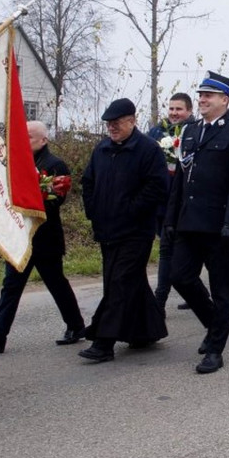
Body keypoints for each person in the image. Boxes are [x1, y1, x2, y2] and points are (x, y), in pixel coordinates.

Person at [165, 72, 229, 374]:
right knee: (180, 276)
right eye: (201, 95)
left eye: (209, 96)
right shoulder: (189, 132)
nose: (202, 99)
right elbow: (181, 178)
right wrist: (170, 218)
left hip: (219, 224)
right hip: (189, 222)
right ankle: (216, 322)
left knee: (222, 288)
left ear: (225, 100)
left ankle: (215, 349)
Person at [80, 98, 169, 363]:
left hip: (135, 231)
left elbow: (156, 188)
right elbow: (87, 182)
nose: (112, 128)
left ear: (132, 120)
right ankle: (146, 331)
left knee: (120, 282)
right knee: (128, 282)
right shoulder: (102, 149)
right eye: (109, 124)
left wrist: (129, 209)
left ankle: (103, 342)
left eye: (117, 123)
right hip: (107, 229)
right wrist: (93, 211)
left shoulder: (148, 150)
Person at [0, 121, 85, 353]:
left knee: (57, 284)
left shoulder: (55, 165)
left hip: (45, 239)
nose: (24, 141)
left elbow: (56, 200)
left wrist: (33, 195)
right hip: (20, 239)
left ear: (43, 140)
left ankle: (75, 325)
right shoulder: (13, 163)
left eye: (29, 137)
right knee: (10, 287)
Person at [149, 93, 195, 311]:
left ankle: (164, 298)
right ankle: (170, 297)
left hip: (185, 203)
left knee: (175, 251)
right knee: (169, 249)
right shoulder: (156, 132)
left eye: (179, 109)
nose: (175, 113)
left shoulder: (195, 131)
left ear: (189, 111)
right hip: (161, 202)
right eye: (172, 109)